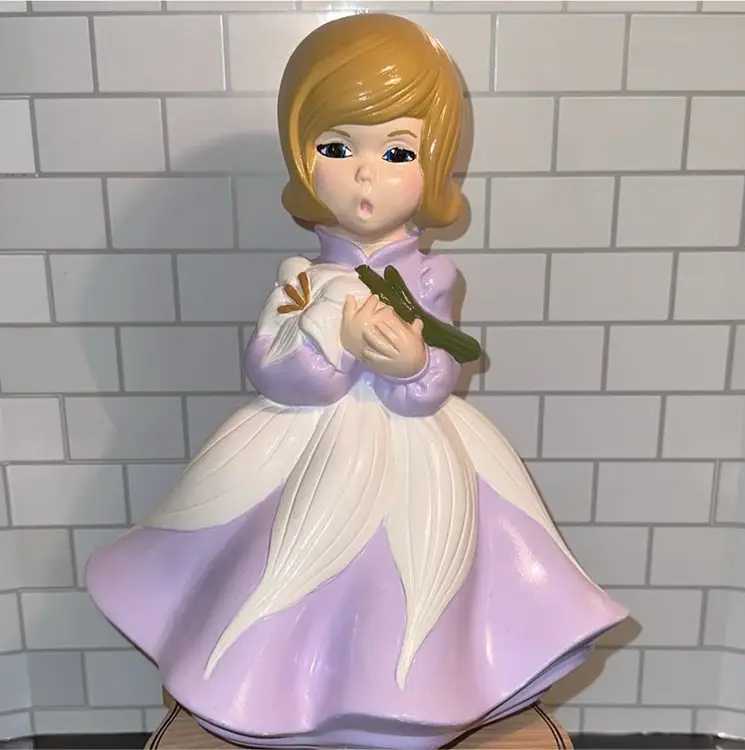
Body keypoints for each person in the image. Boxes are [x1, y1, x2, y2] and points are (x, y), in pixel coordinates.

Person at [86, 13, 628, 749]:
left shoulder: (431, 277)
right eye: (337, 148)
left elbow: (439, 373)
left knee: (417, 568)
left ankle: (413, 701)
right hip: (298, 449)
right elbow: (270, 366)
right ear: (301, 158)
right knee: (282, 559)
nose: (366, 174)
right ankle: (281, 700)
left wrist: (411, 365)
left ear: (434, 166)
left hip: (413, 451)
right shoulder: (301, 280)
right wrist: (332, 349)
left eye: (397, 150)